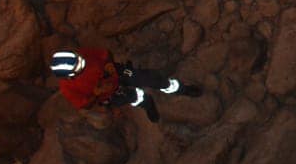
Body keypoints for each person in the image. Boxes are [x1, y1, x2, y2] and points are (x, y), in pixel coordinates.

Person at [50, 48, 201, 123]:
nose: (83, 62)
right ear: (69, 76)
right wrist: (96, 93)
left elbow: (104, 53)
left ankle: (182, 89)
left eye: (80, 60)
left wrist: (109, 64)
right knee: (135, 98)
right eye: (79, 67)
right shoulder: (68, 88)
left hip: (120, 72)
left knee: (150, 78)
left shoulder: (80, 54)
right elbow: (84, 105)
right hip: (110, 94)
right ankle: (148, 103)